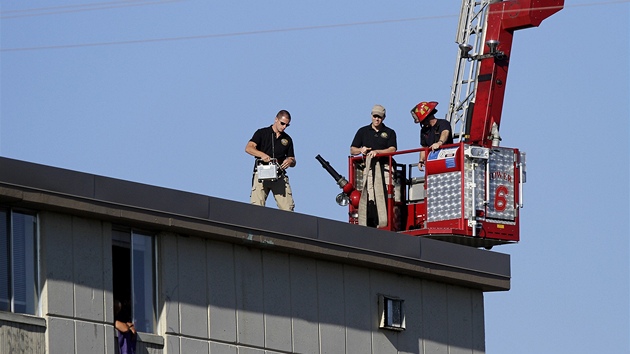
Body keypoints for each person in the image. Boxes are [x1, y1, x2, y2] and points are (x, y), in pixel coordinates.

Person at [350, 104, 397, 227]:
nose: (377, 119)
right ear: (371, 116)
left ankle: (387, 222)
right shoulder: (363, 131)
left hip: (386, 166)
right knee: (370, 195)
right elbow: (352, 149)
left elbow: (393, 149)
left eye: (379, 117)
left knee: (388, 193)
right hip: (369, 168)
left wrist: (378, 152)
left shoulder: (390, 132)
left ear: (384, 118)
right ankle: (372, 222)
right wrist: (361, 150)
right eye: (375, 116)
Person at [245, 110, 296, 211]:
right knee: (256, 208)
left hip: (279, 174)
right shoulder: (262, 133)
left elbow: (293, 159)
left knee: (288, 209)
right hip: (262, 173)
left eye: (287, 125)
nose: (284, 127)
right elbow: (248, 148)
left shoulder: (288, 139)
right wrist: (262, 155)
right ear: (276, 119)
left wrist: (290, 161)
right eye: (282, 123)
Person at [411, 101, 453, 170]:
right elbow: (424, 147)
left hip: (447, 159)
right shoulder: (424, 131)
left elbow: (445, 133)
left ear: (427, 117)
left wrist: (439, 143)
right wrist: (421, 160)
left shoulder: (443, 123)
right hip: (433, 161)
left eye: (422, 121)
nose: (422, 123)